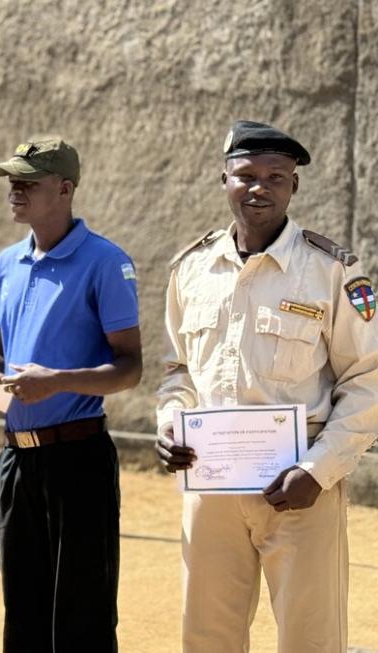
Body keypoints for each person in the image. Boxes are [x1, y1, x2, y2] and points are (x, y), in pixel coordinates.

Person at [155, 120, 378, 653]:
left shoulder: (331, 270)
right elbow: (177, 372)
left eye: (276, 176)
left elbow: (367, 379)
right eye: (246, 174)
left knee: (310, 637)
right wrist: (169, 425)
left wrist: (317, 471)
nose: (260, 187)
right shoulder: (191, 269)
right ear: (224, 179)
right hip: (212, 487)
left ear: (294, 186)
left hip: (301, 485)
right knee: (207, 634)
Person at [0, 137, 142, 652]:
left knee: (82, 615)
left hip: (78, 461)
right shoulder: (6, 264)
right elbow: (9, 358)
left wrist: (59, 381)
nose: (14, 190)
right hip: (16, 463)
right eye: (11, 181)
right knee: (22, 610)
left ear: (65, 189)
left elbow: (130, 368)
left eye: (27, 181)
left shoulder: (105, 262)